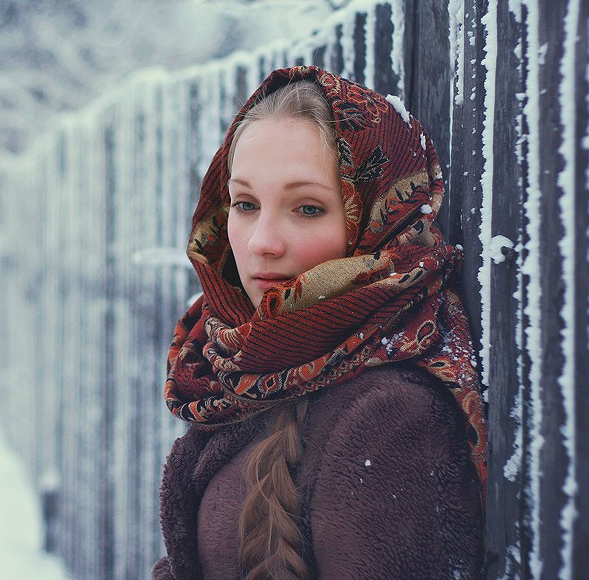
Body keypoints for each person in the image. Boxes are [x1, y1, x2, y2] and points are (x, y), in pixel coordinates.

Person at [152, 66, 487, 580]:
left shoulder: (387, 419)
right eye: (244, 204)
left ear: (378, 220)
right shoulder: (244, 365)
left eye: (307, 208)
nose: (262, 240)